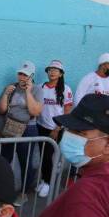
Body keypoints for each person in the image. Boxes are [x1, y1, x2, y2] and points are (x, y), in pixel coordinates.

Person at [0, 61, 44, 194]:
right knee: (4, 160)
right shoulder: (11, 87)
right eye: (20, 74)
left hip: (28, 129)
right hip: (10, 126)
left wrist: (28, 92)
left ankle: (23, 192)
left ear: (32, 76)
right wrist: (6, 94)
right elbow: (1, 111)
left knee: (26, 162)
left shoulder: (37, 90)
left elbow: (35, 112)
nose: (22, 77)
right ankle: (1, 190)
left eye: (25, 75)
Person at [36, 60, 73, 198]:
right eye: (50, 69)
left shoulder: (66, 89)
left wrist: (57, 128)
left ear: (61, 73)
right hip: (41, 126)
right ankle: (45, 179)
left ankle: (48, 183)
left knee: (47, 156)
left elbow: (67, 110)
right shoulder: (40, 87)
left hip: (56, 128)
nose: (52, 72)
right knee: (43, 155)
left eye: (55, 70)